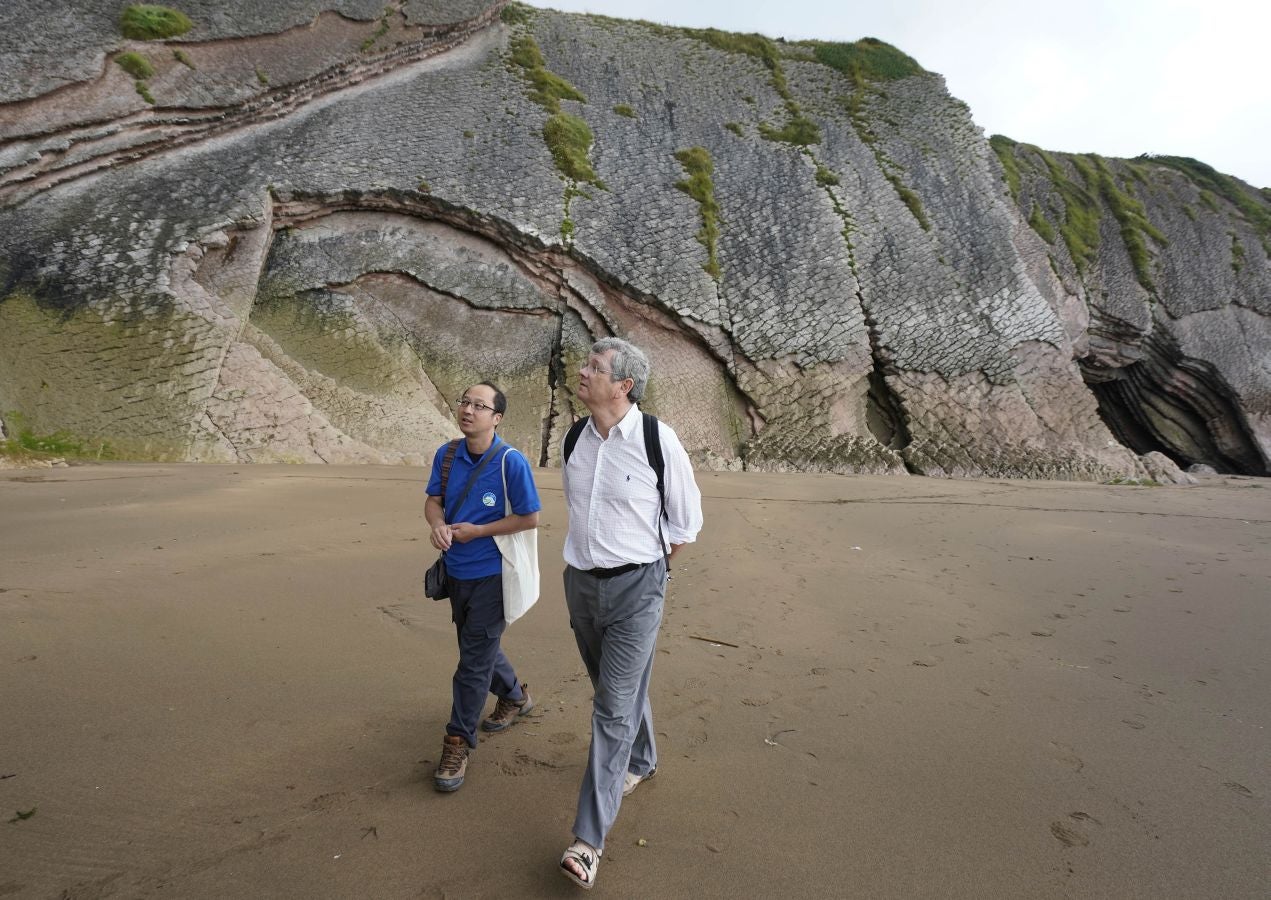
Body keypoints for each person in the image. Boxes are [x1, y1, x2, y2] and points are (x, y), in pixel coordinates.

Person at [558, 338, 704, 889]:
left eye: (595, 368)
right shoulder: (576, 437)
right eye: (586, 363)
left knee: (610, 708)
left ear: (623, 385)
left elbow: (684, 525)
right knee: (614, 689)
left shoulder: (655, 439)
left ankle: (587, 841)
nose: (583, 371)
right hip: (580, 586)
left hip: (637, 589)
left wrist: (647, 578)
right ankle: (642, 760)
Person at [425, 381, 541, 792]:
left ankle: (458, 742)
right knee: (478, 648)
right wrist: (438, 525)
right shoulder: (447, 454)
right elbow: (433, 501)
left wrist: (479, 531)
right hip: (456, 574)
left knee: (472, 663)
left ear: (497, 418)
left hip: (494, 575)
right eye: (464, 402)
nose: (468, 410)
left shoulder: (510, 462)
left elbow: (529, 517)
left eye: (479, 405)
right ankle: (514, 696)